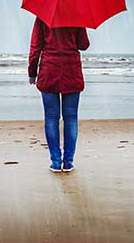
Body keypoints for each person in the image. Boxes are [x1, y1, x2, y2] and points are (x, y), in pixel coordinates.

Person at [28, 16, 90, 173]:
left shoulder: (43, 16)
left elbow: (35, 47)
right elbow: (84, 45)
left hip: (49, 70)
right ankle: (68, 162)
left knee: (51, 118)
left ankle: (56, 162)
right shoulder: (76, 15)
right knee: (71, 118)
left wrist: (32, 72)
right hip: (71, 71)